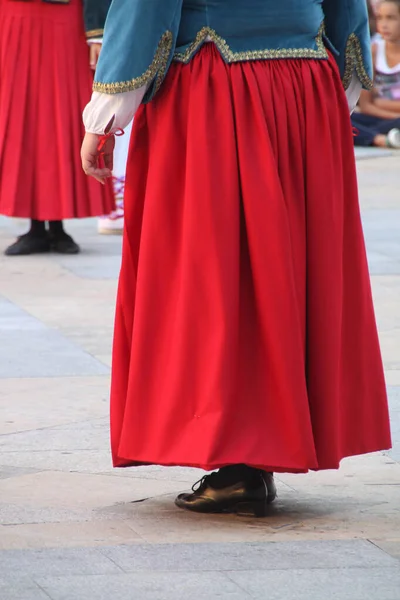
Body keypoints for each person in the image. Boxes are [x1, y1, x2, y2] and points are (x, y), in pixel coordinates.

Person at [81, 0, 391, 517]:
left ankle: (241, 460)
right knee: (283, 262)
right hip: (304, 82)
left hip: (215, 86)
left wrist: (108, 106)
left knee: (217, 267)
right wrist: (342, 82)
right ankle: (260, 452)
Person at [0, 0, 114, 256]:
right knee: (22, 114)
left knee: (60, 112)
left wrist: (97, 32)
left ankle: (56, 225)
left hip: (65, 19)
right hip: (13, 14)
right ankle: (36, 227)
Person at [352, 0, 400, 148]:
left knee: (352, 130)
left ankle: (366, 136)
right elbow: (366, 105)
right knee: (338, 117)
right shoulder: (372, 51)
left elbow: (374, 102)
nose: (384, 24)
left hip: (389, 118)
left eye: (391, 18)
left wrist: (379, 103)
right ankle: (380, 138)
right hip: (378, 117)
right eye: (380, 18)